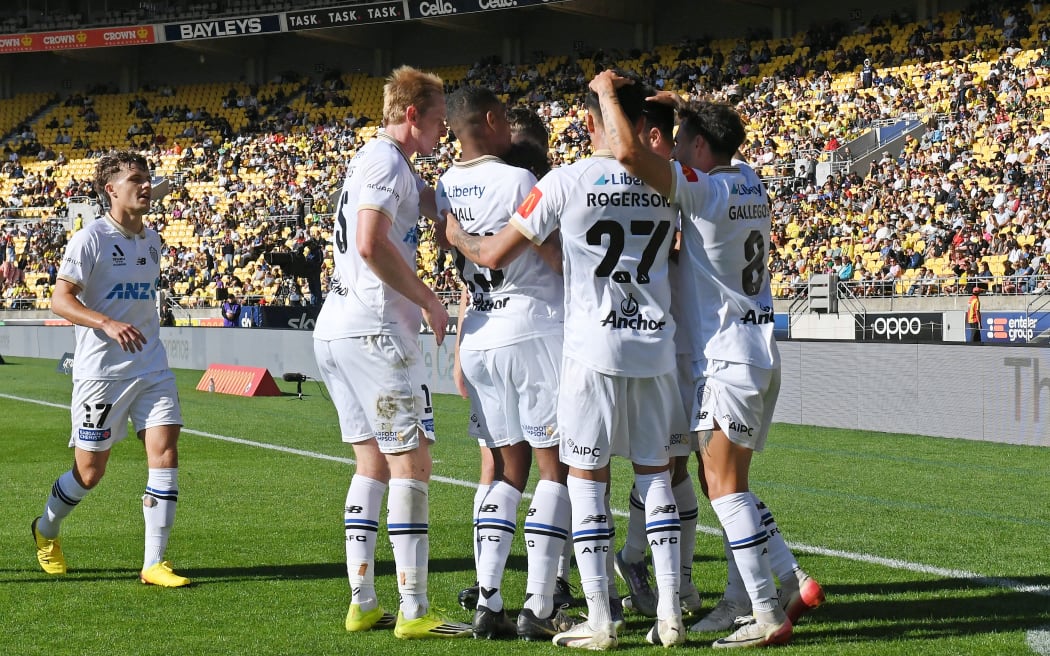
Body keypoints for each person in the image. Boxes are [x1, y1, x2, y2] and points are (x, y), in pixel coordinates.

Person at [446, 76, 686, 649]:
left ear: (588, 124)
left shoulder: (563, 180)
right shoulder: (670, 180)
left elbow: (496, 253)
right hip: (654, 347)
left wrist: (457, 236)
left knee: (585, 478)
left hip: (587, 350)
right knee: (655, 477)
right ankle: (672, 612)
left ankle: (599, 617)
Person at [591, 71, 824, 648]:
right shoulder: (749, 180)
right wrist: (689, 108)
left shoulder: (704, 190)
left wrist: (603, 93)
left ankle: (767, 613)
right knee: (726, 479)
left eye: (682, 137)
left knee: (723, 488)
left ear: (696, 148)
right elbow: (716, 139)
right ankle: (776, 585)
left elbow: (626, 153)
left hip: (725, 359)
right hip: (760, 352)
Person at [311, 65, 470, 639]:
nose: (443, 132)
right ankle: (414, 609)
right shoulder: (383, 161)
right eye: (436, 121)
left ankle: (362, 601)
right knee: (412, 462)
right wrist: (430, 299)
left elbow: (427, 203)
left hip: (339, 327)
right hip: (374, 331)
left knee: (371, 463)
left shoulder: (380, 161)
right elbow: (370, 242)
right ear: (411, 116)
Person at [437, 85, 571, 641]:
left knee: (502, 469)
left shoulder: (445, 184)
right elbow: (556, 256)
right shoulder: (520, 181)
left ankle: (488, 599)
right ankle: (539, 605)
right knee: (554, 468)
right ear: (492, 120)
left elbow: (457, 242)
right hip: (531, 328)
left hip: (481, 334)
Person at [31, 150, 189, 588]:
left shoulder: (153, 239)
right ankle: (46, 529)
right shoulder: (90, 239)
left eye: (148, 178)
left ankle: (153, 563)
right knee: (89, 473)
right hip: (101, 372)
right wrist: (105, 322)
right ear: (110, 189)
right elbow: (59, 299)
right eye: (135, 179)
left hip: (151, 365)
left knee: (165, 452)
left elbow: (147, 202)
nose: (145, 185)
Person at [613, 96, 703, 623]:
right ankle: (629, 559)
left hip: (686, 342)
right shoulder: (651, 180)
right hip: (660, 342)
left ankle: (679, 582)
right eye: (668, 138)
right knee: (661, 463)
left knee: (677, 464)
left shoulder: (679, 180)